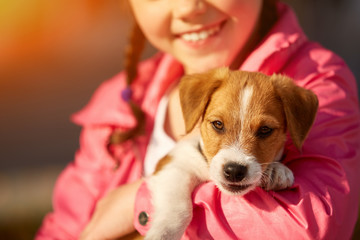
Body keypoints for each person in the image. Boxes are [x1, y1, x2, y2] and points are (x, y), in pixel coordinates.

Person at [36, 0, 360, 239]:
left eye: (263, 131)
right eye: (217, 125)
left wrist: (135, 204)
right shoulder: (119, 103)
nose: (189, 6)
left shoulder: (315, 81)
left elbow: (311, 228)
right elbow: (63, 228)